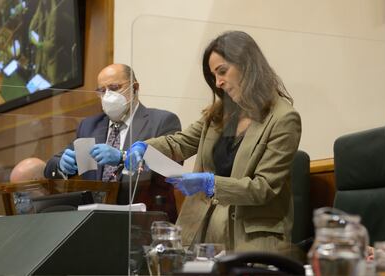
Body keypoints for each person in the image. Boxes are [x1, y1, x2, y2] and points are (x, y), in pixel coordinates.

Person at [126, 31, 302, 253]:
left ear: (248, 64)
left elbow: (263, 188)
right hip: (203, 231)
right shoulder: (222, 114)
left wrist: (210, 183)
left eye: (222, 72)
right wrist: (144, 148)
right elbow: (180, 143)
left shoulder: (283, 118)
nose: (218, 83)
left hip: (250, 239)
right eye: (214, 76)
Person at [44, 64, 181, 221]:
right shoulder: (89, 126)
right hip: (96, 222)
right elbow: (50, 167)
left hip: (145, 219)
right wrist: (62, 165)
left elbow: (172, 169)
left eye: (114, 88)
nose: (107, 95)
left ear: (135, 87)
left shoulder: (161, 121)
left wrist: (123, 157)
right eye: (102, 91)